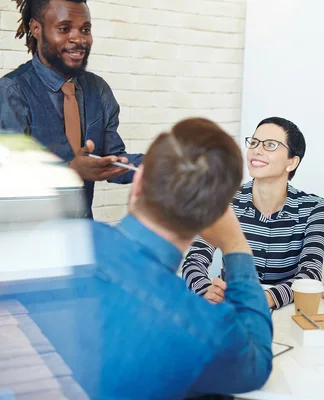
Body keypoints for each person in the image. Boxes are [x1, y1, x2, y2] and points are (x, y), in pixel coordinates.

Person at [0, 118, 273, 398]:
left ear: (139, 181)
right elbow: (257, 364)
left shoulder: (47, 241)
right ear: (212, 217)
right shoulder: (198, 328)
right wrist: (236, 243)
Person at [0, 0, 143, 218]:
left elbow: (112, 159)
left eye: (85, 29)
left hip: (81, 236)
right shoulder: (12, 92)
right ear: (36, 29)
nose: (78, 39)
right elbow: (8, 179)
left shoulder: (98, 90)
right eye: (64, 29)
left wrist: (163, 164)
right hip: (29, 241)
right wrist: (70, 171)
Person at [182, 117, 324, 309]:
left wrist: (267, 297)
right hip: (230, 305)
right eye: (254, 142)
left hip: (284, 310)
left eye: (270, 145)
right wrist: (205, 288)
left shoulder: (313, 208)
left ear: (292, 162)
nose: (256, 150)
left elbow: (310, 274)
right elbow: (194, 260)